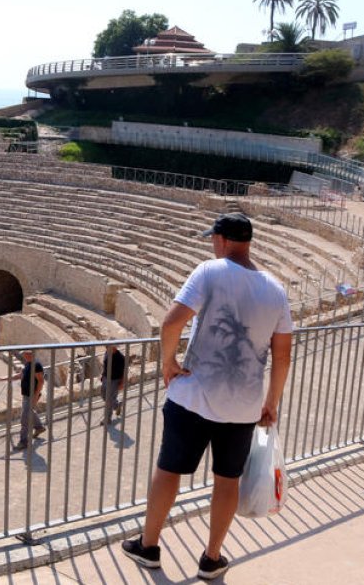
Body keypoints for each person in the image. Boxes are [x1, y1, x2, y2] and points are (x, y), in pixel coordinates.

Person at [122, 212, 293, 581]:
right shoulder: (276, 290)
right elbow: (282, 355)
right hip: (245, 406)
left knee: (169, 470)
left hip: (194, 396)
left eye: (212, 239)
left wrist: (169, 363)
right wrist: (271, 403)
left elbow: (171, 322)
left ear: (222, 239)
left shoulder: (209, 271)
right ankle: (211, 557)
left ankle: (148, 546)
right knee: (227, 480)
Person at [0, 350, 45, 452]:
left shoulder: (37, 365)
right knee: (29, 412)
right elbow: (18, 376)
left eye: (26, 355)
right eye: (24, 355)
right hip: (26, 395)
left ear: (30, 355)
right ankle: (39, 427)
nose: (24, 357)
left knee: (24, 418)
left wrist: (35, 396)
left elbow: (40, 381)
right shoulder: (28, 364)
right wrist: (3, 379)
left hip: (31, 395)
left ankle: (23, 442)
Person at [101, 344, 126, 424]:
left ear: (114, 347)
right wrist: (102, 375)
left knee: (109, 399)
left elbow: (124, 372)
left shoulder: (120, 358)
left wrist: (122, 383)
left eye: (108, 346)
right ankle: (116, 406)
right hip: (105, 378)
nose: (106, 348)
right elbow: (105, 365)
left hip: (114, 381)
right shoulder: (107, 353)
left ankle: (107, 419)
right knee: (103, 395)